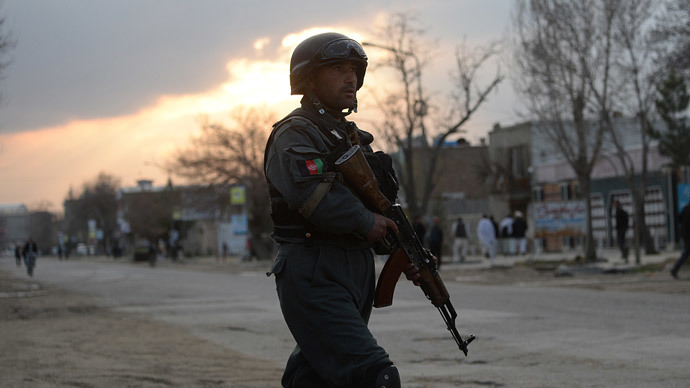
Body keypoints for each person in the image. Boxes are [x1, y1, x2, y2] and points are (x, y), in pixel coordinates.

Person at [264, 32, 422, 388]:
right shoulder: (295, 134)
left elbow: (379, 208)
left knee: (315, 378)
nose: (350, 77)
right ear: (310, 78)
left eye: (353, 69)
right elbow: (313, 197)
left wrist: (404, 251)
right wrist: (367, 222)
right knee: (375, 376)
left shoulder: (352, 138)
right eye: (337, 68)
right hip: (315, 269)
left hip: (353, 270)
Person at [671, 202, 690, 279]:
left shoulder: (685, 208)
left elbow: (678, 219)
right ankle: (674, 270)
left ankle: (675, 270)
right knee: (685, 254)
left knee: (685, 254)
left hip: (685, 235)